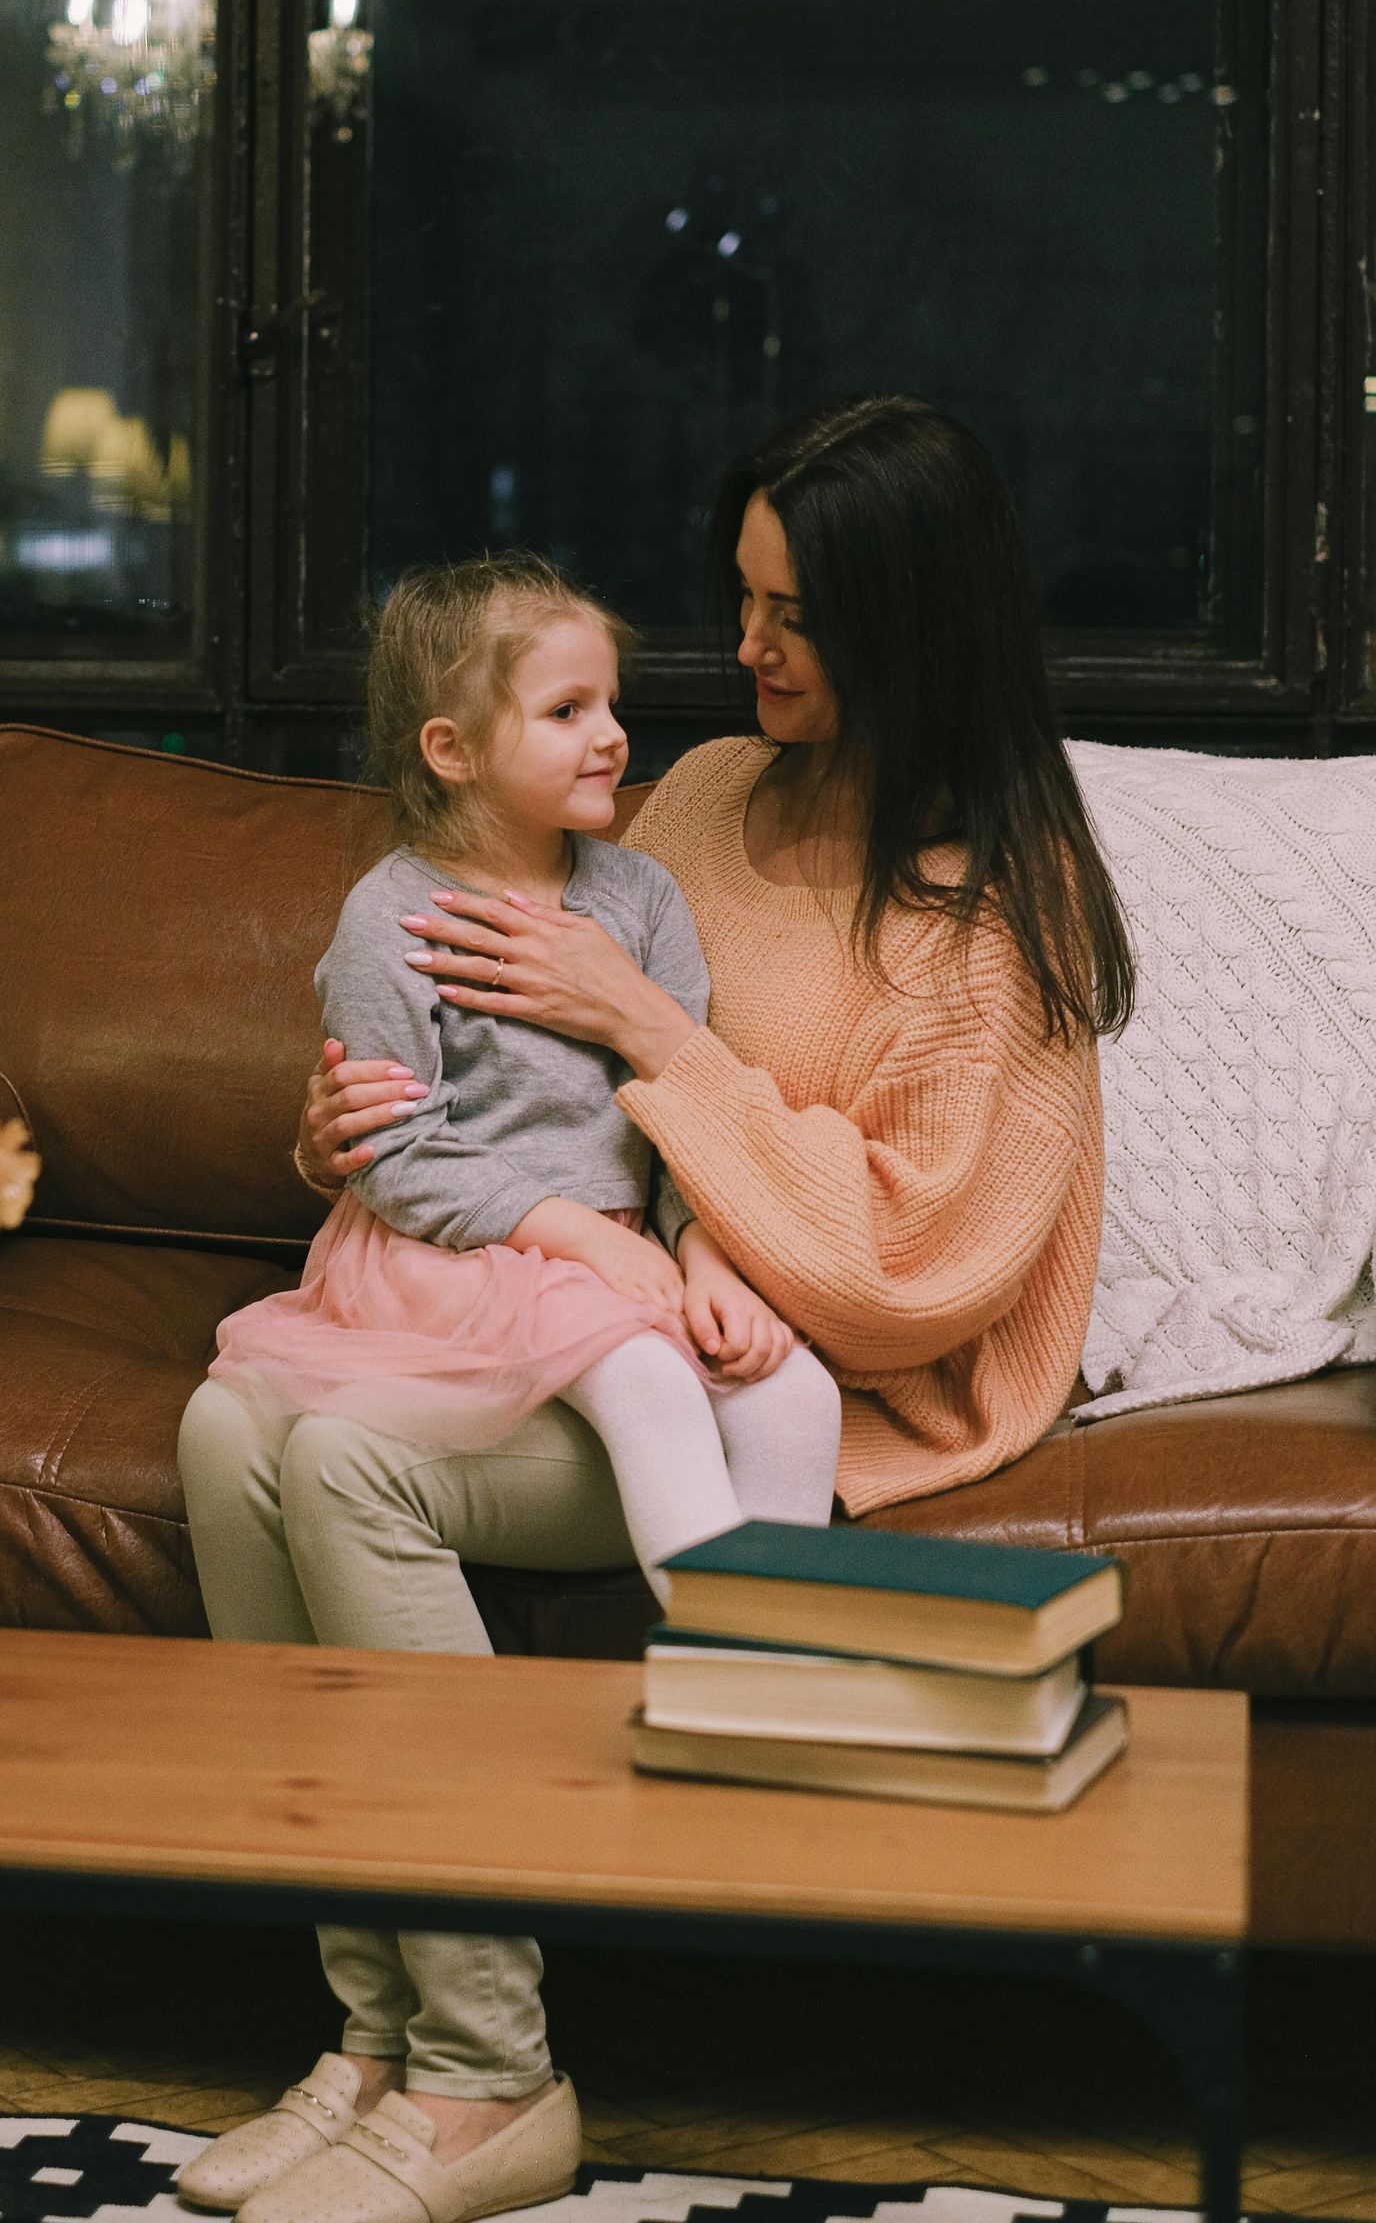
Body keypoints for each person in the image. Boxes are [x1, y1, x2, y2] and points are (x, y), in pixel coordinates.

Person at [176, 396, 1133, 2223]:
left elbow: (904, 1274)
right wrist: (346, 1137)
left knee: (351, 1465)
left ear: (911, 626)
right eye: (746, 597)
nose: (747, 647)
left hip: (807, 1389)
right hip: (580, 1316)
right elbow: (514, 1100)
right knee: (228, 1428)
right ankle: (373, 2034)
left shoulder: (994, 914)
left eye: (795, 616)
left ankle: (490, 2071)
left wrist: (653, 1033)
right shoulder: (693, 800)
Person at [202, 552, 841, 1593]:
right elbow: (395, 1153)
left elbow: (685, 1114)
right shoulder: (389, 918)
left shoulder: (643, 900)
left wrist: (708, 1254)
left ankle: (778, 1668)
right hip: (465, 1247)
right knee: (647, 1380)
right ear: (451, 750)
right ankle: (737, 1669)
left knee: (799, 1398)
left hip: (622, 1251)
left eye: (610, 704)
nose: (611, 736)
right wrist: (582, 1235)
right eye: (565, 711)